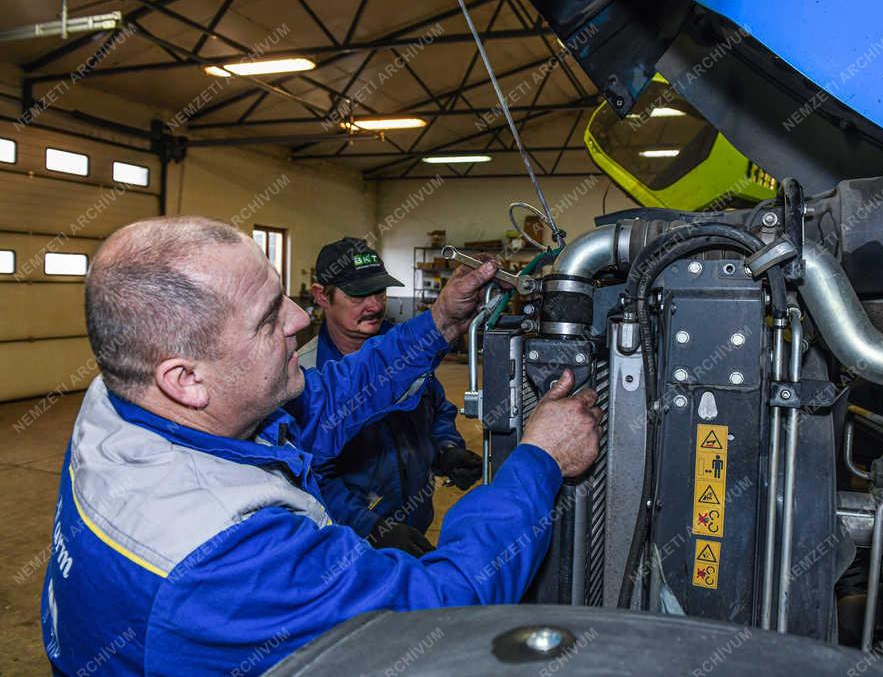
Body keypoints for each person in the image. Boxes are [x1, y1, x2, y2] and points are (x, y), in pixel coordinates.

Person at [41, 216, 600, 675]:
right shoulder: (226, 560)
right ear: (185, 379)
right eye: (266, 319)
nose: (300, 317)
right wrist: (539, 460)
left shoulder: (121, 401)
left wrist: (441, 322)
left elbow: (336, 396)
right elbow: (436, 613)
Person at [297, 238, 480, 555]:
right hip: (353, 544)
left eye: (380, 291)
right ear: (321, 296)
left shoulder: (407, 356)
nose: (376, 305)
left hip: (414, 525)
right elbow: (311, 474)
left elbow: (434, 408)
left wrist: (446, 450)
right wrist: (370, 527)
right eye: (358, 295)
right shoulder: (303, 375)